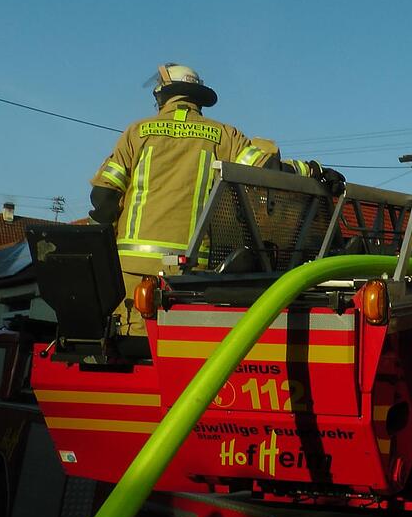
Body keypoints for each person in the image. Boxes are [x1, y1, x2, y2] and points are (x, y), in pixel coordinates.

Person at [89, 63, 344, 334]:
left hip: (134, 270)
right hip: (194, 273)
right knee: (182, 347)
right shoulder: (225, 136)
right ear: (198, 96)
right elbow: (268, 169)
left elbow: (103, 197)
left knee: (138, 346)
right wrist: (313, 170)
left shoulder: (136, 133)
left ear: (162, 95)